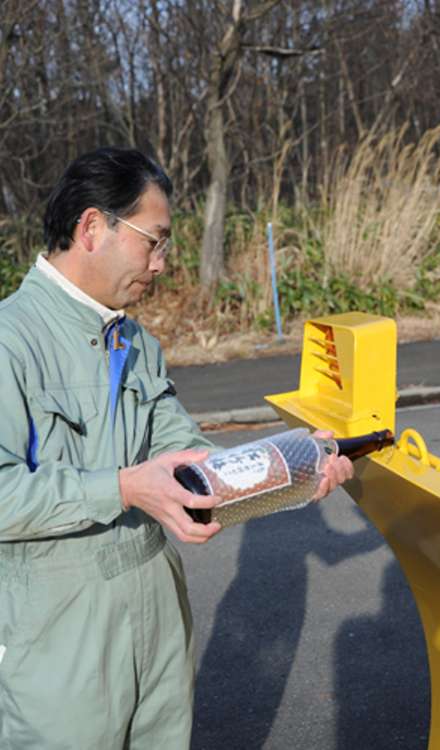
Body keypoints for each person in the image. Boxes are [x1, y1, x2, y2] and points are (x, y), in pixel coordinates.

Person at [0, 147, 353, 749]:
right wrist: (122, 488)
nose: (162, 263)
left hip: (159, 620)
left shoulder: (137, 344)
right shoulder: (11, 342)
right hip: (56, 641)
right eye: (153, 241)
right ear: (93, 227)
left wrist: (291, 467)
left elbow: (189, 459)